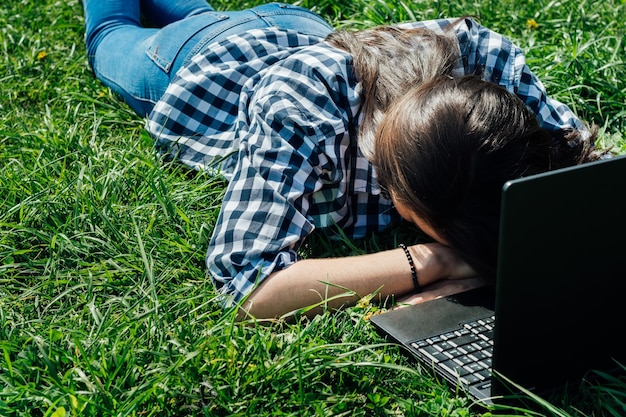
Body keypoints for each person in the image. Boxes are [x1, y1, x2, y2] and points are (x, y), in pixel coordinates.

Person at [82, 0, 599, 319]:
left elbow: (594, 168)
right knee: (111, 28)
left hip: (299, 24)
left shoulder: (485, 64)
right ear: (393, 188)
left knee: (194, 8)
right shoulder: (301, 110)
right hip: (203, 61)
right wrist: (436, 260)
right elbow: (251, 285)